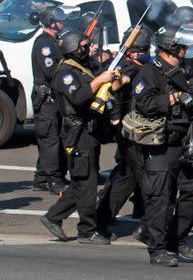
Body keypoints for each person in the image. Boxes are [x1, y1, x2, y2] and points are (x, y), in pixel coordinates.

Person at [40, 31, 124, 245]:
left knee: (82, 179)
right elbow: (79, 97)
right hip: (77, 133)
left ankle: (53, 216)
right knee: (87, 181)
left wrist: (112, 82)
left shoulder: (80, 69)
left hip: (89, 130)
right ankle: (87, 230)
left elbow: (97, 93)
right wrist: (101, 80)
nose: (87, 50)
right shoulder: (65, 73)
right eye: (83, 46)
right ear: (72, 48)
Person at [134, 25, 193, 266]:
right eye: (181, 46)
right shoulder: (150, 71)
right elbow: (144, 102)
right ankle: (157, 248)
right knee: (161, 197)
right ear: (169, 48)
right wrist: (172, 97)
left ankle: (177, 238)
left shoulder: (185, 70)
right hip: (161, 144)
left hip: (186, 142)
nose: (185, 50)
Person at [96, 25, 154, 241]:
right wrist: (119, 81)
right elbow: (118, 84)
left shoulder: (134, 65)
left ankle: (101, 219)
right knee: (144, 179)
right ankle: (150, 227)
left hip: (138, 131)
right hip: (134, 132)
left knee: (126, 178)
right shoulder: (129, 67)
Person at [31, 5, 69, 194]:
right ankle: (53, 180)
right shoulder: (45, 44)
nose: (62, 23)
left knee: (50, 139)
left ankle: (41, 177)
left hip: (53, 99)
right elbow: (50, 71)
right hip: (47, 99)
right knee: (51, 139)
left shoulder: (54, 41)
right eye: (58, 20)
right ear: (50, 23)